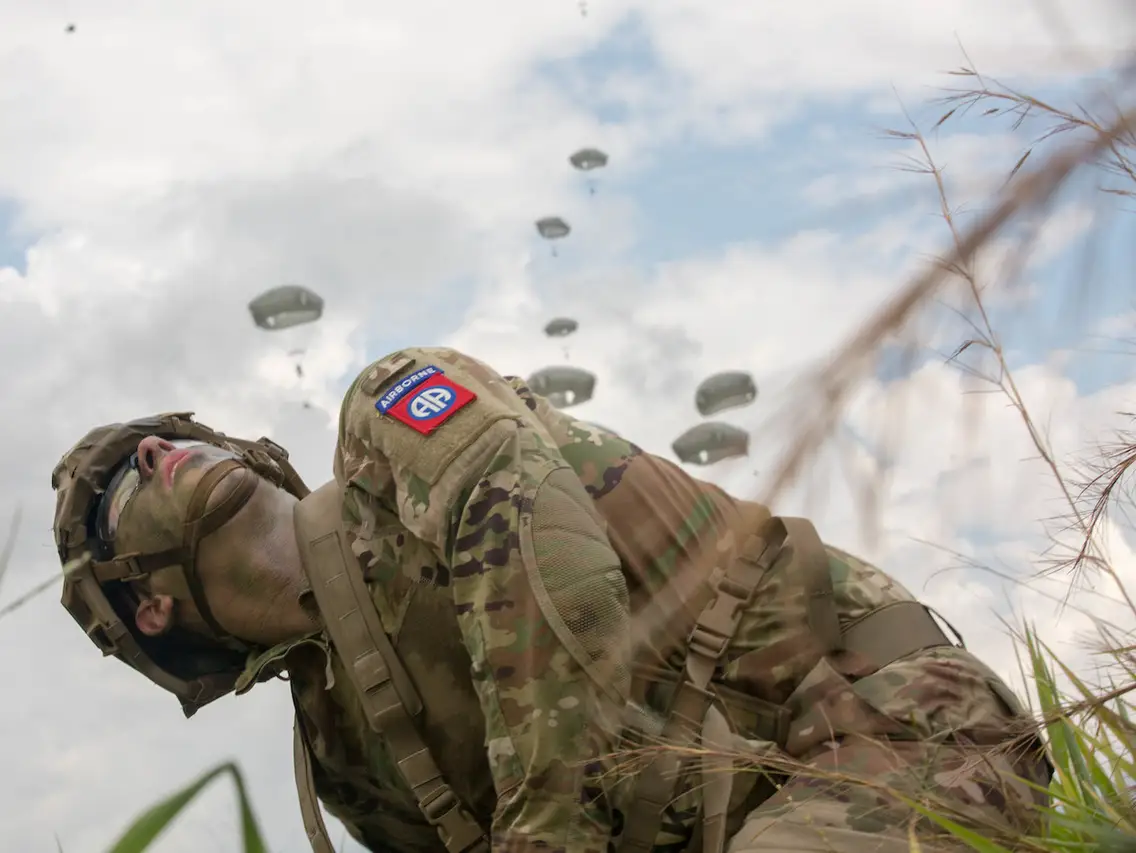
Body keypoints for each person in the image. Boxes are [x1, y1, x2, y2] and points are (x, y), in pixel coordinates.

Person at [52, 346, 1051, 853]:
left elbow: (543, 556)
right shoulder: (348, 761)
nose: (153, 449)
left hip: (880, 721)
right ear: (148, 609)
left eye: (161, 436)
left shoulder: (387, 424)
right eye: (117, 495)